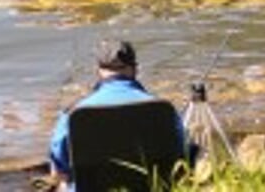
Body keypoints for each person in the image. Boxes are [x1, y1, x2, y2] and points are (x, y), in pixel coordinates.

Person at [47, 40, 187, 191]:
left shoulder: (73, 113)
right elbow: (181, 152)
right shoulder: (164, 109)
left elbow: (59, 168)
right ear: (135, 69)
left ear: (99, 71)